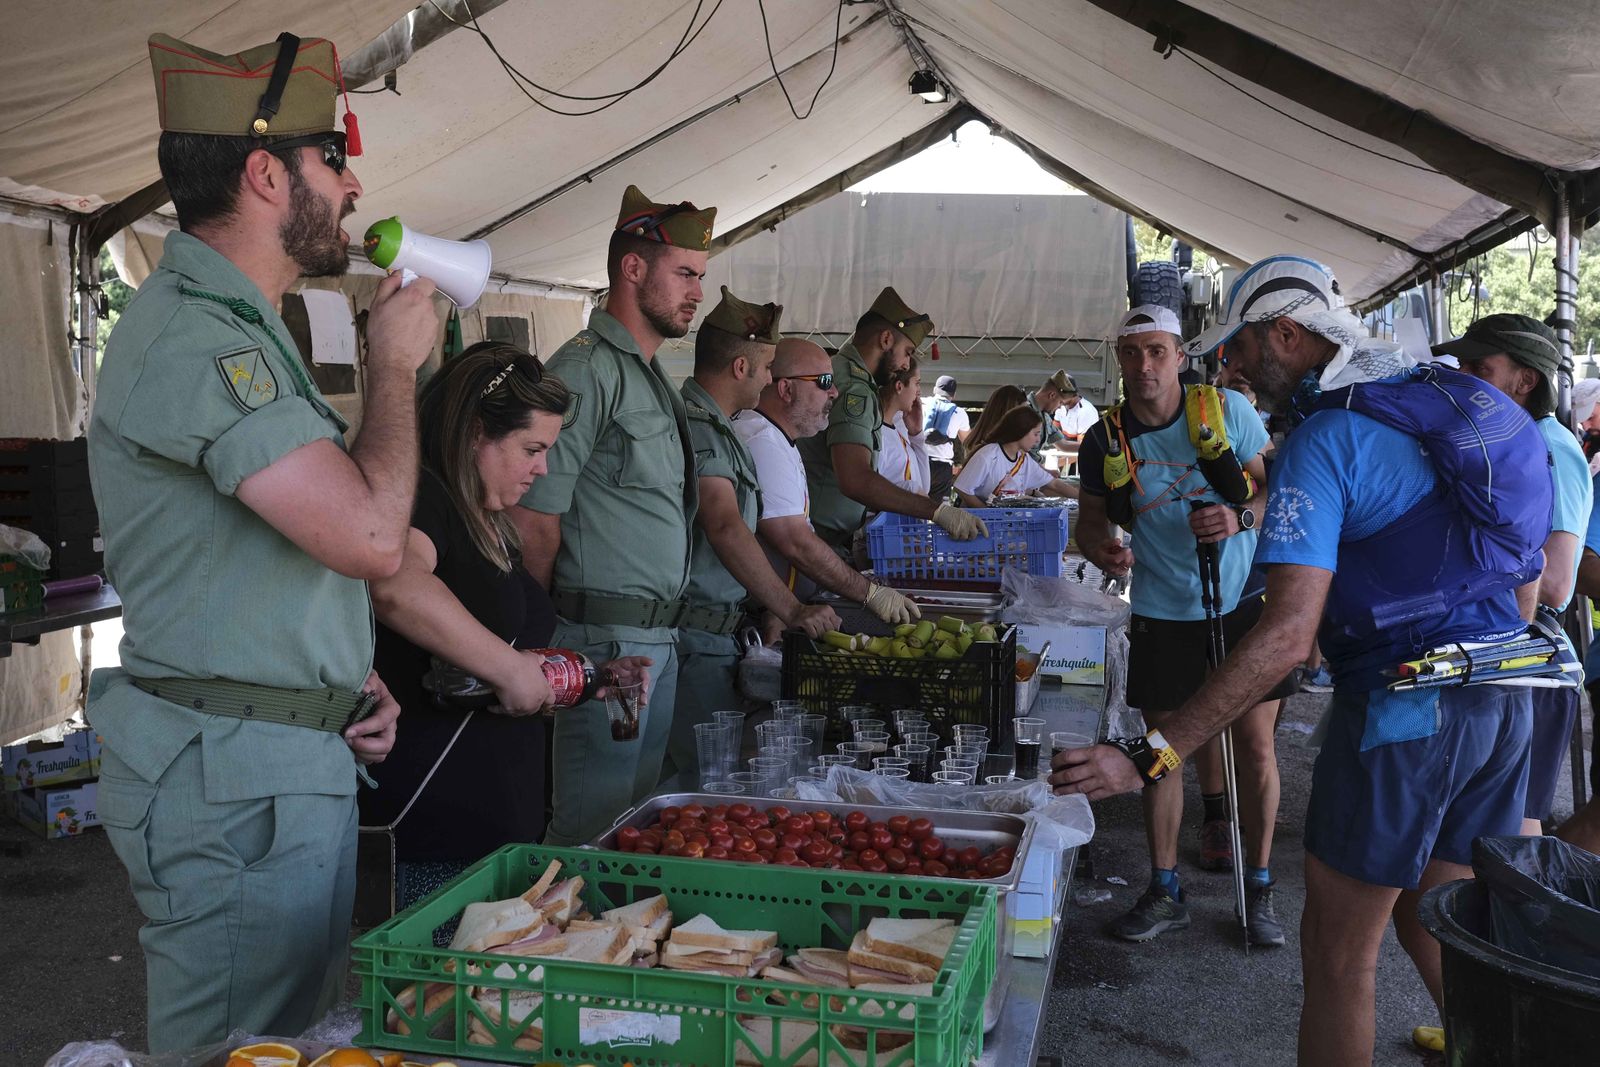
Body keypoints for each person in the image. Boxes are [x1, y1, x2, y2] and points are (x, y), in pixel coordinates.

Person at [1052, 256, 1552, 1065]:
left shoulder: (1327, 435)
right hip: (1502, 699)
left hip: (1405, 710)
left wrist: (1149, 751)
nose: (1234, 366)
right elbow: (1524, 567)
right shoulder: (1432, 395)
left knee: (1337, 956)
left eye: (1244, 348)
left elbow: (1285, 635)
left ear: (1286, 333)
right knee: (1451, 927)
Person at [88, 32, 431, 1049]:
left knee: (286, 1041)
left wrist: (334, 680)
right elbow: (370, 532)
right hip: (230, 779)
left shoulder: (243, 323)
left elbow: (268, 551)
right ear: (268, 172)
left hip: (266, 756)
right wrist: (398, 367)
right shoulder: (204, 335)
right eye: (335, 158)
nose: (356, 181)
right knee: (244, 1046)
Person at [361, 343, 651, 906]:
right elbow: (393, 584)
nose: (542, 468)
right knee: (443, 991)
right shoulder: (425, 502)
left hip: (497, 832)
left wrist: (590, 679)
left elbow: (498, 661)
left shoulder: (487, 520)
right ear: (474, 431)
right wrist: (511, 670)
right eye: (532, 449)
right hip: (434, 832)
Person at [1072, 304, 1288, 947]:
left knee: (1255, 748)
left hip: (1242, 604)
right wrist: (1099, 548)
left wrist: (1238, 520)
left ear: (1179, 356)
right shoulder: (1103, 437)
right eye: (1133, 353)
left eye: (1158, 351)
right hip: (1162, 610)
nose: (1145, 366)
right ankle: (1164, 889)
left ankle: (1260, 884)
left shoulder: (1226, 412)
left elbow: (1276, 489)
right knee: (1161, 755)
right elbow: (1090, 522)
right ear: (1119, 357)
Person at [511, 184, 710, 846]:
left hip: (653, 646)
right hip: (611, 646)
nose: (696, 292)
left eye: (700, 277)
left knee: (631, 823)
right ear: (632, 268)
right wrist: (550, 622)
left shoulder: (647, 374)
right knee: (593, 826)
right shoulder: (585, 370)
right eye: (684, 273)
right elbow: (536, 514)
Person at [666, 291, 839, 777]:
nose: (770, 379)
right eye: (766, 369)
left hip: (717, 631)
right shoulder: (705, 428)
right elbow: (724, 526)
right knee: (697, 781)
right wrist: (792, 609)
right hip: (696, 635)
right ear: (741, 368)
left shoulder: (722, 429)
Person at [1439, 314, 1592, 832]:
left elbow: (1555, 582)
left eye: (1479, 366)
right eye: (1459, 363)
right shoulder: (1504, 440)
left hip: (1528, 662)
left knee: (1511, 837)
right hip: (1494, 654)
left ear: (1525, 381)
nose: (1461, 375)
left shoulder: (1551, 448)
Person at [736, 338, 921, 624]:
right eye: (823, 381)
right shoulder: (763, 442)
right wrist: (870, 593)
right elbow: (796, 542)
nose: (834, 392)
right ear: (785, 388)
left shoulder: (781, 439)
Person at [798, 287, 987, 552]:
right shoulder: (856, 389)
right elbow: (856, 478)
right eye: (908, 352)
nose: (906, 365)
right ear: (886, 339)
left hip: (818, 532)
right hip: (819, 539)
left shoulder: (839, 367)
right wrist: (936, 512)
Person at [952, 405, 1078, 506]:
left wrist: (1085, 500)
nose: (1038, 439)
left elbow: (1055, 484)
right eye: (1035, 434)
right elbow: (962, 488)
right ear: (1021, 431)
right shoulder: (989, 454)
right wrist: (986, 513)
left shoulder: (1024, 459)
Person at [875, 355, 931, 494]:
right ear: (899, 386)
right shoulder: (878, 436)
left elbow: (924, 487)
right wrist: (910, 490)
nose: (919, 391)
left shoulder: (896, 430)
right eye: (916, 383)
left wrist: (917, 435)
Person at [922, 374, 969, 500]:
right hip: (943, 466)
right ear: (953, 395)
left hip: (920, 461)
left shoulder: (921, 403)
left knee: (916, 504)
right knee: (939, 510)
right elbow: (967, 442)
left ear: (934, 390)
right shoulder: (959, 412)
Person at [1025, 369, 1072, 460]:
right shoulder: (1025, 413)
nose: (1060, 407)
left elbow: (1063, 445)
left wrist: (1091, 446)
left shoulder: (1045, 416)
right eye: (1060, 403)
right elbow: (1022, 454)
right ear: (1052, 395)